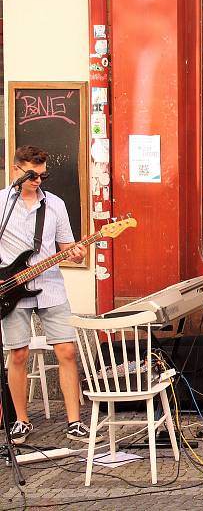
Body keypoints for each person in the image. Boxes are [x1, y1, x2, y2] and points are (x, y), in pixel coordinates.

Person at [2, 146, 103, 445]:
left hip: (50, 286)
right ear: (16, 170)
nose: (38, 181)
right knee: (17, 354)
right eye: (32, 175)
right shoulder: (1, 204)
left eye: (43, 175)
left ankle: (75, 422)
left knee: (67, 351)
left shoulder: (55, 205)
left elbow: (67, 248)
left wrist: (75, 254)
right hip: (9, 289)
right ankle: (21, 420)